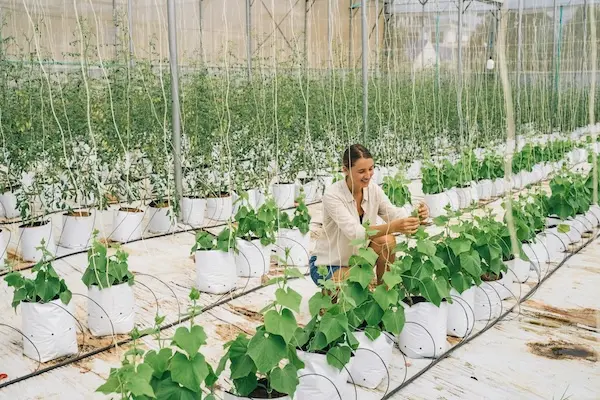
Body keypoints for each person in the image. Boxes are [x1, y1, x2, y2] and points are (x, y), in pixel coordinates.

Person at [310, 144, 428, 287]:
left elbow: (393, 214)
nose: (368, 175)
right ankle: (329, 300)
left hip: (358, 259)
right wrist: (394, 227)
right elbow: (356, 234)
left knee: (387, 241)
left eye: (371, 169)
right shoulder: (332, 196)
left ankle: (384, 291)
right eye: (361, 171)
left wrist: (415, 215)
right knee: (341, 297)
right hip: (329, 263)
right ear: (345, 170)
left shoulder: (373, 189)